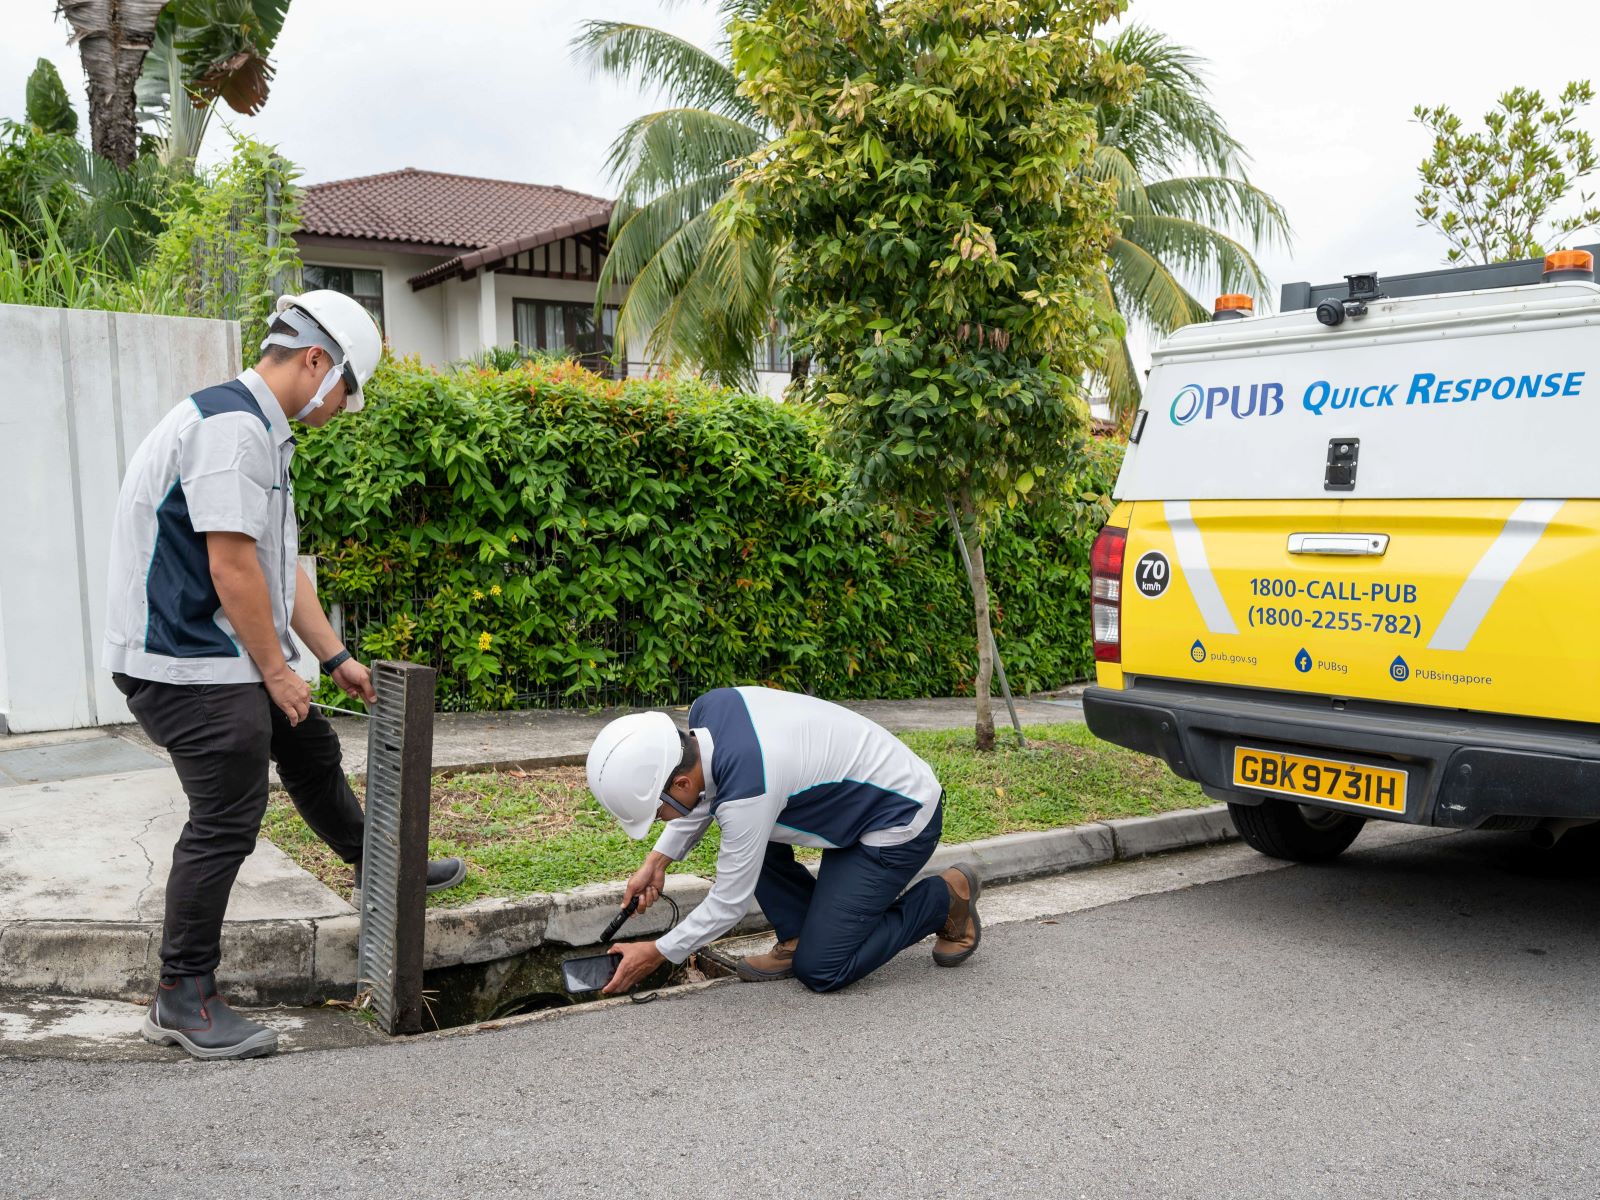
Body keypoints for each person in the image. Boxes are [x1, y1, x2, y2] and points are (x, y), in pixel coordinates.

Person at [103, 291, 466, 1060]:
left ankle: (379, 865)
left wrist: (333, 660)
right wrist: (275, 671)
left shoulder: (263, 435)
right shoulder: (232, 429)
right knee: (228, 815)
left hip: (209, 655)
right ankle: (182, 995)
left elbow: (278, 573)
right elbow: (230, 565)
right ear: (316, 364)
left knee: (306, 741)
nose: (341, 409)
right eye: (348, 393)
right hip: (177, 660)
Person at [585, 686, 982, 995]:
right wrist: (658, 861)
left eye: (657, 812)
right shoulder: (707, 715)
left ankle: (944, 899)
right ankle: (798, 934)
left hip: (898, 820)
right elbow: (708, 793)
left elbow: (729, 903)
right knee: (742, 827)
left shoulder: (749, 789)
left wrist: (658, 952)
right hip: (849, 805)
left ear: (681, 781)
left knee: (824, 969)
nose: (661, 820)